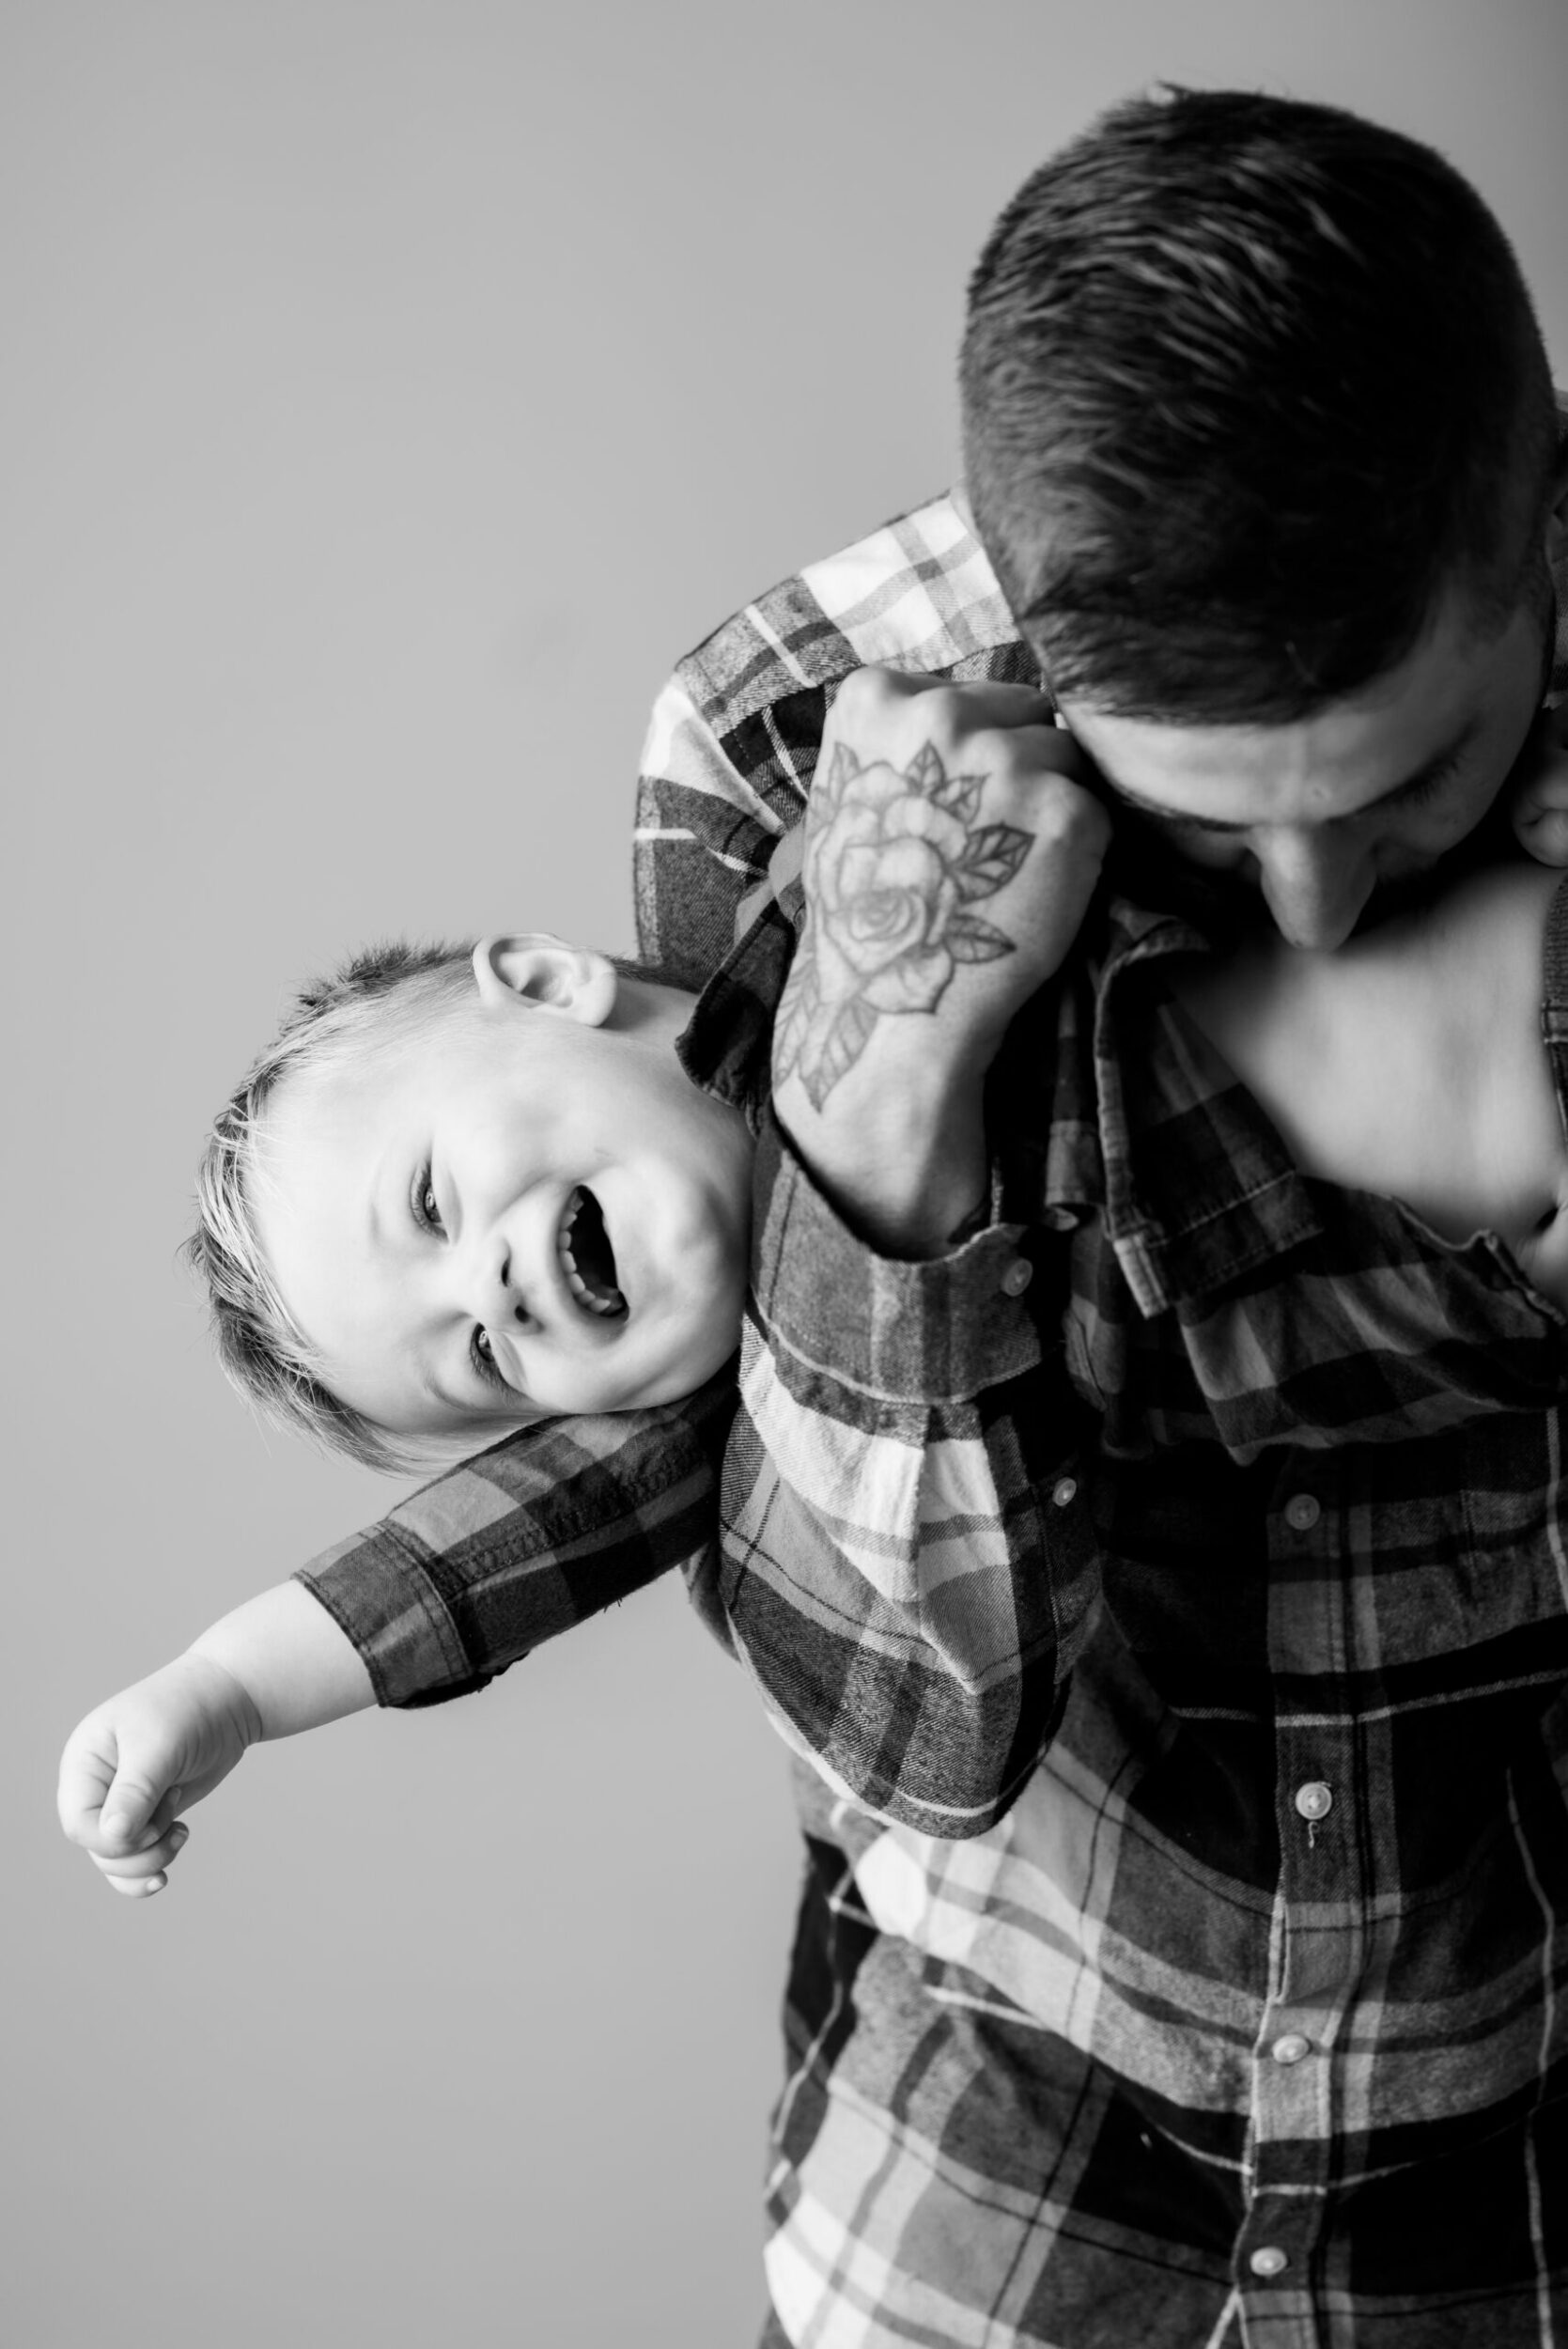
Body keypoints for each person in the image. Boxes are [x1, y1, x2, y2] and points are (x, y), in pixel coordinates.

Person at [60, 86, 1568, 2341]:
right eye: (470, 1339)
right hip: (990, 2199)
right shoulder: (790, 763)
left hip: (1489, 2174)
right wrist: (221, 1682)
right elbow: (827, 1676)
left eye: (1400, 788)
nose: (1313, 896)